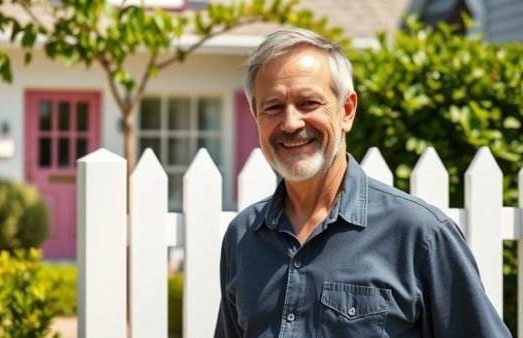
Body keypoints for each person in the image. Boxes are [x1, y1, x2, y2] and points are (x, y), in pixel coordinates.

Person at [215, 28, 511, 337]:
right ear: (255, 115)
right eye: (273, 107)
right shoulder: (243, 237)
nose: (291, 123)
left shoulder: (420, 234)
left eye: (309, 103)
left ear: (347, 110)